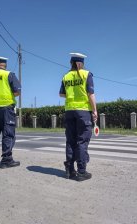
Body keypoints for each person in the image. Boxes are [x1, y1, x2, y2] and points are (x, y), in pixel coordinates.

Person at [59, 52, 98, 181]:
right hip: (83, 112)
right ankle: (82, 172)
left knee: (70, 140)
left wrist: (73, 94)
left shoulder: (66, 76)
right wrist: (94, 111)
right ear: (81, 63)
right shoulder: (86, 74)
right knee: (82, 141)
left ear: (71, 63)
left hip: (69, 111)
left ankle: (70, 171)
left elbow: (61, 94)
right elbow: (90, 94)